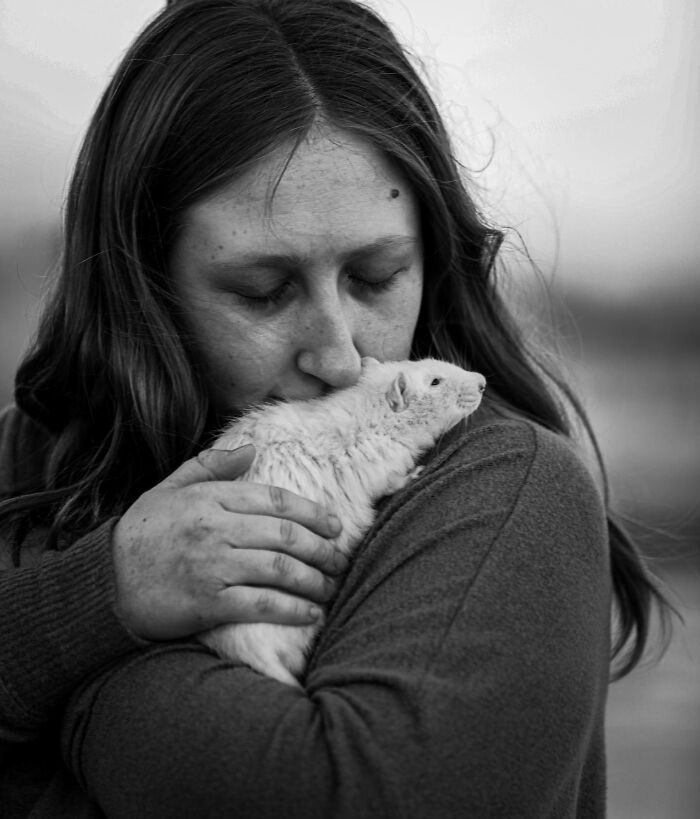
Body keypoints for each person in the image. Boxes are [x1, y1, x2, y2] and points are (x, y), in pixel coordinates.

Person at [0, 0, 674, 816]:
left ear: (433, 251)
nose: (341, 355)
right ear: (145, 285)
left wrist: (73, 652)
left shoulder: (499, 488)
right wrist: (106, 580)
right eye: (265, 289)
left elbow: (353, 796)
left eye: (377, 275)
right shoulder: (36, 457)